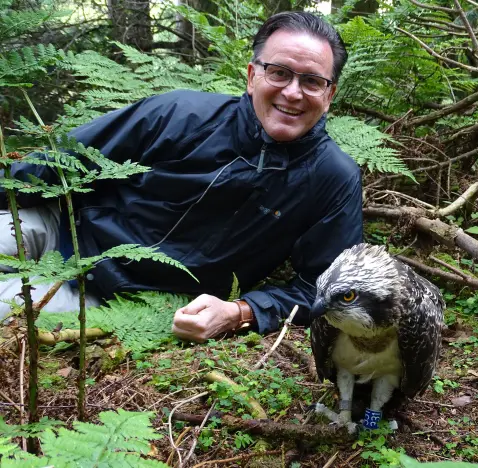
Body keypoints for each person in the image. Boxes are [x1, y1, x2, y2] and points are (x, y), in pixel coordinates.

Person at [0, 11, 363, 341]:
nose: (293, 92)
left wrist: (240, 312)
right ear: (253, 76)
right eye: (279, 72)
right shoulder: (179, 114)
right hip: (56, 228)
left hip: (119, 305)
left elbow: (323, 290)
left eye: (312, 81)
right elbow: (63, 163)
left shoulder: (331, 179)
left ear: (329, 94)